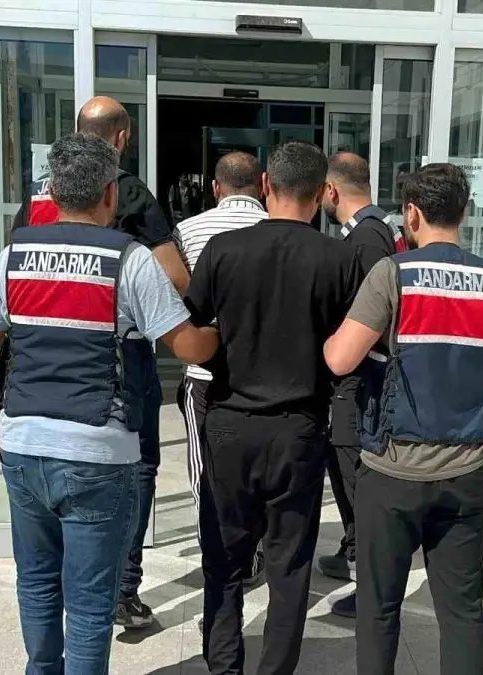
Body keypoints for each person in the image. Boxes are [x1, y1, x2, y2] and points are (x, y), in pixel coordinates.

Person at [0, 133, 219, 674]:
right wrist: (222, 331)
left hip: (23, 444)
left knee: (36, 580)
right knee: (89, 602)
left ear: (54, 192)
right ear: (110, 193)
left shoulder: (13, 257)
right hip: (97, 452)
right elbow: (188, 346)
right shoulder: (128, 260)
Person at [322, 162, 483, 675]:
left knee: (379, 609)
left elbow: (340, 359)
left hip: (390, 473)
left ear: (412, 214)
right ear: (463, 213)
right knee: (462, 614)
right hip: (466, 474)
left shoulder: (391, 275)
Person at [184, 140, 364, 675]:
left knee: (223, 559)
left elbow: (193, 329)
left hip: (228, 424)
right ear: (322, 192)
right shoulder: (339, 259)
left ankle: (224, 666)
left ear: (266, 185)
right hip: (299, 429)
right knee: (289, 566)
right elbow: (350, 348)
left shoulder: (222, 250)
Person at [13, 95, 187, 630]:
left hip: (37, 362)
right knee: (137, 469)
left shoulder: (38, 194)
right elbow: (176, 277)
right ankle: (120, 589)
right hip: (113, 362)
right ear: (122, 138)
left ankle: (71, 585)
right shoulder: (126, 190)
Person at [172, 151, 270, 595]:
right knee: (258, 470)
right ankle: (251, 551)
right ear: (263, 185)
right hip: (266, 376)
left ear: (215, 188)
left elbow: (181, 303)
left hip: (205, 374)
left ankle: (218, 553)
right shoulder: (282, 230)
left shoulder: (189, 231)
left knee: (205, 470)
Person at [317, 151, 407, 618]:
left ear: (331, 190)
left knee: (353, 475)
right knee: (344, 468)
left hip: (359, 375)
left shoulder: (368, 239)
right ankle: (352, 548)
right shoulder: (375, 230)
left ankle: (369, 583)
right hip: (359, 374)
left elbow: (374, 314)